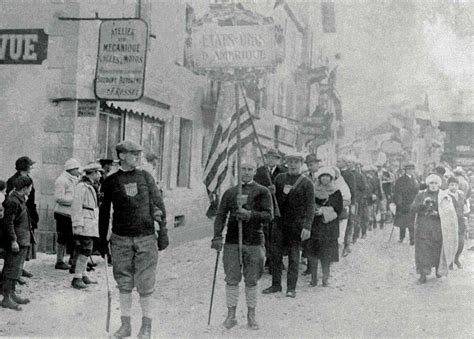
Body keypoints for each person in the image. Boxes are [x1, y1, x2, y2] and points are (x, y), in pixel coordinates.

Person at [99, 140, 168, 339]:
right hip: (120, 239)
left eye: (139, 153)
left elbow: (159, 206)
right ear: (121, 156)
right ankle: (125, 325)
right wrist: (102, 242)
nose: (137, 157)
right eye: (133, 153)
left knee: (146, 284)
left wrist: (162, 234)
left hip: (146, 237)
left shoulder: (146, 177)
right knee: (124, 282)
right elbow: (104, 213)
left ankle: (146, 327)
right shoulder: (110, 181)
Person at [211, 161, 272, 330]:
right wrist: (216, 237)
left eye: (249, 169)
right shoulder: (230, 192)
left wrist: (250, 214)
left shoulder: (262, 191)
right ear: (238, 171)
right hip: (232, 241)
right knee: (231, 279)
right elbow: (221, 215)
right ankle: (231, 315)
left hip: (254, 241)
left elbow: (269, 215)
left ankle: (251, 315)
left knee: (252, 280)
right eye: (243, 169)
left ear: (254, 171)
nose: (246, 172)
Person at [262, 152, 314, 298]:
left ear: (301, 164)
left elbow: (310, 206)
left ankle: (291, 288)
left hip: (296, 224)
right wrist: (271, 192)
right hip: (279, 222)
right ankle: (276, 285)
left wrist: (307, 226)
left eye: (296, 162)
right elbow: (275, 200)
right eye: (290, 162)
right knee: (275, 254)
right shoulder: (280, 178)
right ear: (286, 163)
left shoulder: (307, 183)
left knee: (293, 256)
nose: (292, 165)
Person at [411, 174, 458, 283]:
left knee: (437, 249)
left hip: (438, 228)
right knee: (423, 251)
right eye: (431, 183)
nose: (433, 185)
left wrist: (438, 213)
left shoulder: (444, 196)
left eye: (436, 183)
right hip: (423, 227)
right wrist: (422, 205)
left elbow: (449, 212)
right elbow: (413, 208)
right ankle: (423, 273)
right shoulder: (421, 195)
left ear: (439, 184)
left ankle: (438, 270)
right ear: (428, 184)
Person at [1, 175, 35, 310]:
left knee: (16, 269)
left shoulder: (19, 199)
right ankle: (6, 298)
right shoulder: (13, 201)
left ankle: (12, 294)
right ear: (25, 188)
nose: (31, 190)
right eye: (30, 188)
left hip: (22, 240)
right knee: (10, 269)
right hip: (16, 242)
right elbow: (8, 223)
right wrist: (13, 240)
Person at [307, 167, 343, 287]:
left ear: (331, 178)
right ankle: (313, 279)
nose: (325, 179)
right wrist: (313, 210)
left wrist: (324, 211)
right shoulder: (313, 189)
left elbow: (339, 209)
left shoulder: (336, 192)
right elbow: (308, 203)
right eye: (323, 176)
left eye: (328, 176)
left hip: (329, 227)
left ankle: (325, 278)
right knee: (313, 254)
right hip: (315, 226)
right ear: (319, 178)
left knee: (326, 255)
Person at [253, 148, 287, 271]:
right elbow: (255, 188)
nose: (271, 160)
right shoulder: (259, 172)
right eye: (269, 157)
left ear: (278, 160)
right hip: (265, 207)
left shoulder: (283, 172)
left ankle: (277, 260)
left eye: (274, 158)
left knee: (278, 234)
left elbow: (288, 190)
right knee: (266, 234)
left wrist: (277, 191)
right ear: (265, 158)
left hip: (279, 208)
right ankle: (269, 258)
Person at [70, 163, 102, 289]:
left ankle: (83, 273)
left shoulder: (91, 186)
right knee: (85, 249)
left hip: (91, 221)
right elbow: (76, 206)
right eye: (98, 172)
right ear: (92, 173)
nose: (99, 175)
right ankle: (77, 277)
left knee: (88, 249)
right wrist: (77, 225)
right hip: (85, 222)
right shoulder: (82, 187)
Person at [6, 156, 39, 279]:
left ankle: (20, 267)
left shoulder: (29, 179)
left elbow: (32, 199)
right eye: (30, 165)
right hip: (19, 214)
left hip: (28, 212)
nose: (31, 167)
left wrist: (34, 215)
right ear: (24, 166)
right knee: (19, 242)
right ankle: (15, 272)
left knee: (25, 243)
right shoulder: (12, 181)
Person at [54, 158, 81, 270]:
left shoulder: (74, 179)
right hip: (62, 213)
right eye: (76, 169)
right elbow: (58, 198)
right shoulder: (61, 180)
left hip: (71, 214)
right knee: (62, 237)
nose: (78, 171)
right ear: (71, 169)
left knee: (73, 237)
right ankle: (59, 260)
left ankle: (72, 259)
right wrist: (73, 200)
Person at [393, 163, 419, 245]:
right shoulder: (401, 180)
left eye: (412, 169)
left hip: (412, 203)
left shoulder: (415, 180)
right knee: (402, 222)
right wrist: (399, 203)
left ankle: (412, 239)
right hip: (403, 203)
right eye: (409, 169)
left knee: (412, 222)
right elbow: (397, 192)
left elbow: (417, 190)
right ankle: (401, 237)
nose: (411, 171)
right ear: (406, 170)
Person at [446, 176, 469, 269]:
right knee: (451, 242)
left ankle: (456, 258)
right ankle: (450, 261)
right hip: (450, 222)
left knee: (461, 242)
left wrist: (465, 217)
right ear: (448, 186)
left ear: (458, 186)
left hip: (460, 221)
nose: (453, 187)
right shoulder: (446, 196)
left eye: (455, 185)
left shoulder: (461, 195)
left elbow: (465, 207)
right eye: (451, 185)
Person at [337, 157, 356, 257]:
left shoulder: (349, 175)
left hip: (347, 202)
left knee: (348, 223)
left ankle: (347, 246)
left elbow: (352, 191)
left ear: (344, 163)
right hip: (338, 202)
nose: (337, 163)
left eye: (339, 161)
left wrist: (352, 204)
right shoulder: (336, 173)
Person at [333, 167, 351, 251]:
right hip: (332, 213)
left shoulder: (341, 184)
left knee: (340, 234)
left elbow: (347, 199)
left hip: (341, 212)